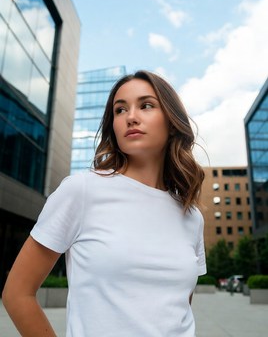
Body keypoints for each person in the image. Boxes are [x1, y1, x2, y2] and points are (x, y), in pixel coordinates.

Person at [3, 70, 206, 337]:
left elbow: (179, 306)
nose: (130, 117)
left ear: (171, 122)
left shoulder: (191, 216)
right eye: (120, 110)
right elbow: (17, 294)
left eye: (146, 105)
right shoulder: (82, 190)